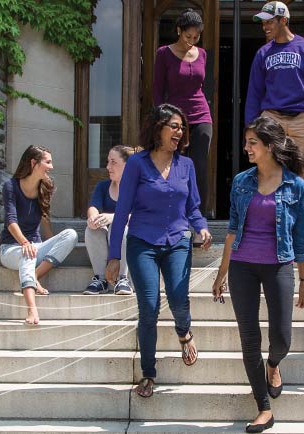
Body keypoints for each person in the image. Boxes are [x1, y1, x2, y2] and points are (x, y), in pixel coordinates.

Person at [210, 117, 304, 433]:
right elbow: (231, 229)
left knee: (281, 337)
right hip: (242, 265)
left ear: (269, 146)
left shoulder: (296, 186)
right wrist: (221, 272)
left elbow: (301, 238)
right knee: (249, 338)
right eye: (247, 142)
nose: (247, 148)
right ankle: (263, 408)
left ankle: (274, 364)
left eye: (253, 142)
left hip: (279, 264)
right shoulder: (241, 181)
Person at [110, 104, 212, 398]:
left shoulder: (187, 165)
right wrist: (114, 256)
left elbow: (192, 207)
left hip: (178, 240)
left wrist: (202, 228)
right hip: (143, 241)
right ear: (158, 128)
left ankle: (184, 333)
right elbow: (121, 212)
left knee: (179, 299)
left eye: (182, 127)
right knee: (150, 307)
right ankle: (148, 372)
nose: (180, 132)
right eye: (174, 126)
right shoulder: (137, 165)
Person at [244, 1, 304, 178]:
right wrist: (250, 127)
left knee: (301, 172)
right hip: (271, 117)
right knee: (269, 168)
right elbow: (254, 92)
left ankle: (297, 206)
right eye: (263, 23)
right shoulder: (263, 53)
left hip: (301, 117)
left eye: (269, 22)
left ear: (283, 20)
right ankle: (271, 206)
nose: (264, 27)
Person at [0, 144, 78, 325]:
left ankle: (34, 276)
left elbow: (44, 218)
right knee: (28, 252)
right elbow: (11, 221)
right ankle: (32, 309)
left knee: (71, 235)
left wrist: (52, 244)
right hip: (11, 249)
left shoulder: (46, 186)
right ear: (34, 163)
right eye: (48, 162)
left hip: (34, 246)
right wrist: (25, 243)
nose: (52, 167)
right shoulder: (10, 186)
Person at [154, 9, 216, 217]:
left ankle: (199, 216)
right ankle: (174, 213)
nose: (192, 41)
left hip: (201, 114)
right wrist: (160, 120)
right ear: (179, 31)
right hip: (174, 117)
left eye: (196, 37)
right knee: (175, 163)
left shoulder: (203, 54)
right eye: (188, 36)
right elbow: (157, 88)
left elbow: (204, 86)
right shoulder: (164, 53)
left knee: (199, 165)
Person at [85, 145, 140, 296]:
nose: (108, 167)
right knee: (92, 229)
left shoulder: (139, 188)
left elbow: (140, 215)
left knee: (121, 226)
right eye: (108, 162)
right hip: (106, 238)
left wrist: (115, 217)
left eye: (113, 162)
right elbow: (93, 206)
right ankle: (100, 278)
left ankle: (123, 278)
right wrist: (92, 218)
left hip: (131, 237)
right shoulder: (102, 186)